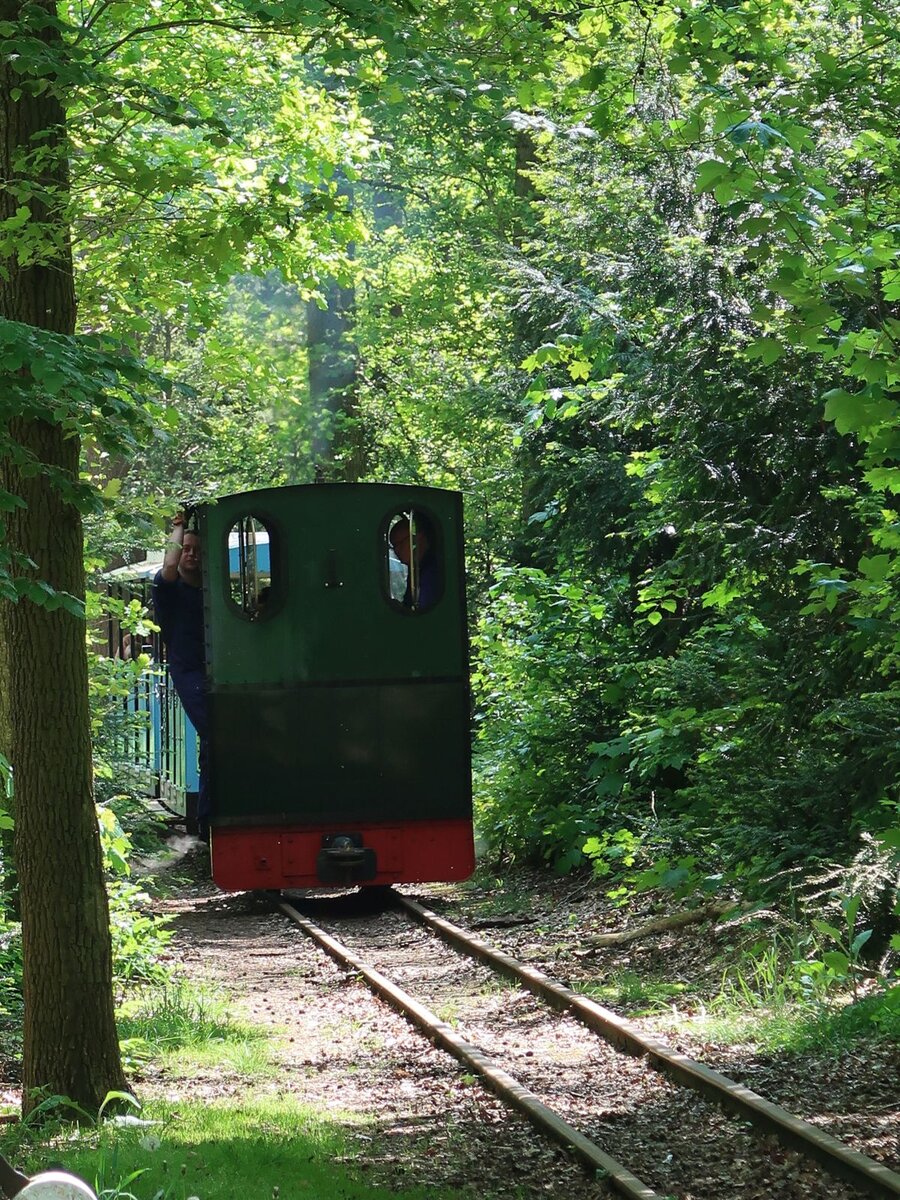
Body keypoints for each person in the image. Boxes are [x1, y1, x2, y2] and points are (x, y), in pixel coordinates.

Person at [151, 512, 210, 839]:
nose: (191, 554)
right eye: (186, 548)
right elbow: (170, 568)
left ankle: (207, 819)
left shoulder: (213, 592)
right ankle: (207, 821)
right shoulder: (168, 589)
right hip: (188, 670)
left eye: (198, 550)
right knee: (215, 733)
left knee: (213, 743)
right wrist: (178, 527)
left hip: (218, 671)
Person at [389, 514, 439, 611]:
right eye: (394, 546)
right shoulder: (416, 570)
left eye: (399, 544)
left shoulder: (431, 571)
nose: (396, 551)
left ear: (416, 538)